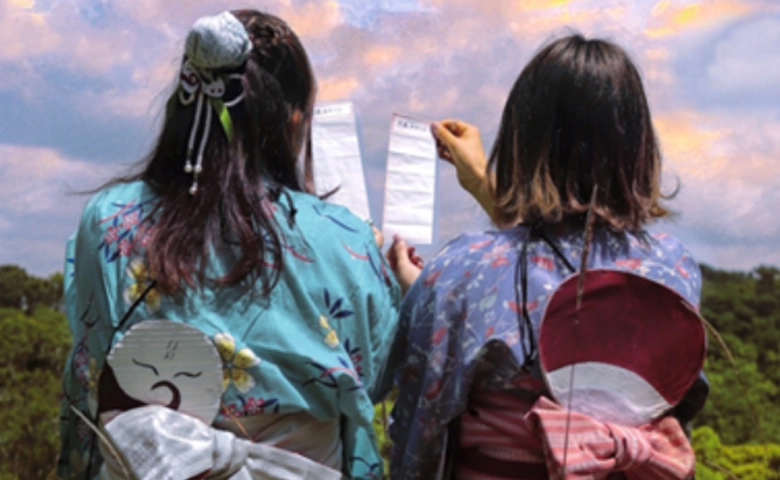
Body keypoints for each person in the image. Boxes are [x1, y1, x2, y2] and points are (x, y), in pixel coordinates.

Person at [58, 10, 400, 480]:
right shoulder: (346, 238)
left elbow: (91, 366)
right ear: (294, 120)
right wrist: (377, 267)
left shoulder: (108, 220)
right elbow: (373, 381)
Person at [386, 34, 709, 479]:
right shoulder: (672, 268)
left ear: (519, 140)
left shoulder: (461, 267)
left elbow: (419, 429)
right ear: (638, 147)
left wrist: (429, 289)